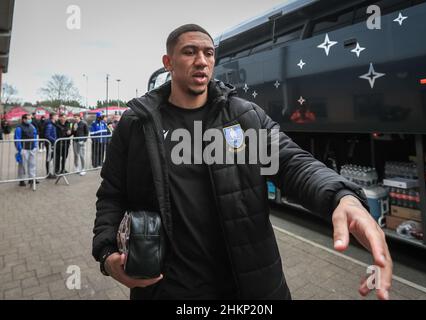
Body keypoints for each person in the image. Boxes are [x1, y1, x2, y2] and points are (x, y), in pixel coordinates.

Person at [92, 24, 392, 300]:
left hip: (249, 290)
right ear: (168, 62)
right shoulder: (137, 124)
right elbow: (112, 193)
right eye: (189, 51)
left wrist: (342, 196)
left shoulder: (245, 117)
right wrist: (107, 253)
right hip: (166, 290)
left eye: (208, 53)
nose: (202, 60)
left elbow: (291, 162)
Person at [14, 114, 38, 186]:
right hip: (23, 149)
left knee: (32, 164)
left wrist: (35, 146)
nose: (30, 120)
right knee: (22, 165)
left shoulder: (32, 127)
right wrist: (20, 149)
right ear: (24, 119)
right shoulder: (19, 128)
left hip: (31, 148)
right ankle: (21, 180)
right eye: (28, 118)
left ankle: (32, 179)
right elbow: (17, 139)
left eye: (30, 118)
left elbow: (35, 136)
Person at [44, 113, 58, 178]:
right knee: (49, 158)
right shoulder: (49, 125)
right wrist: (55, 140)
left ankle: (51, 172)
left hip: (52, 143)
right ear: (53, 117)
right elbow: (47, 135)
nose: (57, 117)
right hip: (50, 144)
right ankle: (48, 173)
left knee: (52, 158)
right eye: (56, 116)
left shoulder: (53, 124)